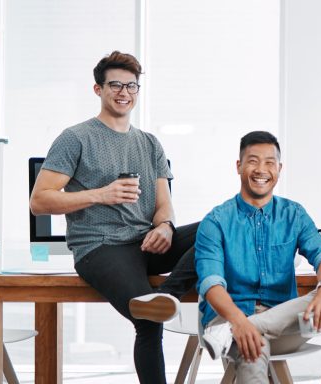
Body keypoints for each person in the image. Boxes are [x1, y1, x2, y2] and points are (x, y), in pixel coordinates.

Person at [29, 51, 198, 383]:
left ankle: (168, 297)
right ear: (98, 90)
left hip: (146, 243)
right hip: (101, 247)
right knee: (148, 321)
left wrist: (165, 226)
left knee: (220, 227)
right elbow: (39, 201)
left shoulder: (150, 144)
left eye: (131, 86)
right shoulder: (76, 138)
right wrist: (100, 194)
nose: (124, 93)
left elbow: (164, 204)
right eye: (116, 85)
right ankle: (155, 305)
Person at [194, 130, 321, 380]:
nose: (261, 169)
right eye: (253, 161)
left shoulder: (293, 214)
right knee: (253, 347)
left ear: (279, 168)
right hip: (231, 317)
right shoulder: (216, 221)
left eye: (269, 162)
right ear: (239, 166)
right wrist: (238, 321)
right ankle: (236, 330)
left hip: (281, 327)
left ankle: (234, 331)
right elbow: (211, 284)